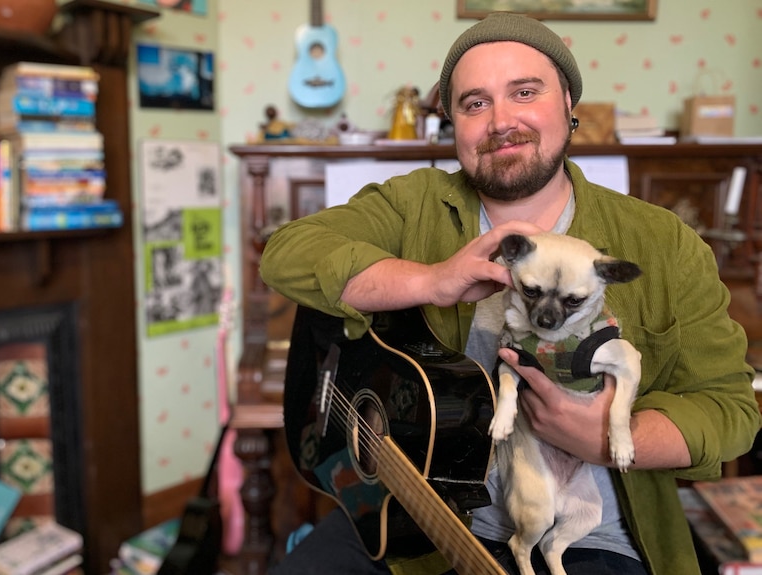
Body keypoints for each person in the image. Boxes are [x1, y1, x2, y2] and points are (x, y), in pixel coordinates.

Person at [259, 12, 761, 575]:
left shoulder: (663, 242)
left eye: (525, 92)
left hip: (587, 542)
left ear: (568, 103)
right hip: (409, 522)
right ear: (452, 123)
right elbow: (287, 252)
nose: (501, 121)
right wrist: (431, 279)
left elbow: (731, 410)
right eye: (475, 103)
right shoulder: (412, 204)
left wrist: (607, 437)